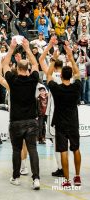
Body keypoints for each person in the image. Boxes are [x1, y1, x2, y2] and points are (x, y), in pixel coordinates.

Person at [0, 38, 40, 190]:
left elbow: (4, 65)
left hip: (16, 121)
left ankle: (16, 177)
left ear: (16, 67)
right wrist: (27, 49)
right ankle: (36, 179)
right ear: (28, 68)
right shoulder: (33, 79)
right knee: (33, 150)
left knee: (16, 150)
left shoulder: (12, 79)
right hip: (31, 121)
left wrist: (11, 48)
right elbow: (36, 64)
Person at [47, 41, 82, 187]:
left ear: (60, 76)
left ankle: (67, 180)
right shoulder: (77, 86)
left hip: (60, 123)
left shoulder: (56, 88)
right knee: (76, 149)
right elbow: (78, 73)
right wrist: (70, 56)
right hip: (73, 121)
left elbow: (48, 74)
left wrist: (54, 58)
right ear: (70, 76)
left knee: (63, 151)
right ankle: (77, 176)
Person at [39, 36, 64, 177]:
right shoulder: (69, 75)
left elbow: (41, 60)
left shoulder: (51, 76)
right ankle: (64, 166)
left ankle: (61, 167)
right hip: (67, 112)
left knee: (56, 142)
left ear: (53, 66)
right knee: (64, 143)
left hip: (55, 113)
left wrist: (50, 46)